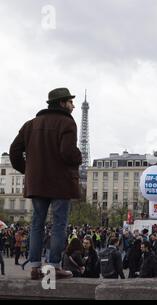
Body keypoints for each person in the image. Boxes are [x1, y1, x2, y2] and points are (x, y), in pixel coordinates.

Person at [9, 88, 82, 280]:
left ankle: (34, 267)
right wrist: (78, 157)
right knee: (59, 224)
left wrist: (28, 171)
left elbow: (14, 151)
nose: (73, 105)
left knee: (36, 224)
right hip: (60, 183)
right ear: (62, 103)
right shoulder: (67, 123)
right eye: (70, 102)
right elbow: (68, 153)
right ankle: (54, 267)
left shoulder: (30, 124)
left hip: (37, 183)